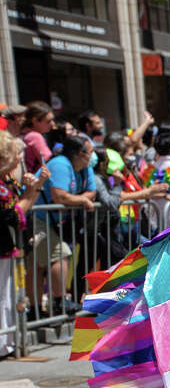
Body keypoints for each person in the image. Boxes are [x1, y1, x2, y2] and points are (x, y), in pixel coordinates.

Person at [34, 135, 97, 316]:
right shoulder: (60, 164)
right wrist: (82, 200)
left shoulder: (86, 168)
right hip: (38, 217)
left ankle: (38, 308)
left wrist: (81, 199)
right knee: (59, 253)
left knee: (38, 264)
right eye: (90, 152)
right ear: (79, 153)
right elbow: (59, 196)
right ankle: (59, 302)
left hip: (53, 221)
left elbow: (92, 191)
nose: (92, 156)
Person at [0, 131, 49, 357]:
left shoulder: (6, 179)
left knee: (8, 294)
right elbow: (13, 214)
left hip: (6, 247)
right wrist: (31, 193)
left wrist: (35, 186)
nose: (20, 157)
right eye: (15, 153)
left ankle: (8, 341)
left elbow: (23, 201)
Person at [21, 101, 54, 174]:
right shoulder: (35, 136)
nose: (53, 124)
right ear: (35, 121)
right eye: (48, 121)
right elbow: (50, 162)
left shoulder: (24, 134)